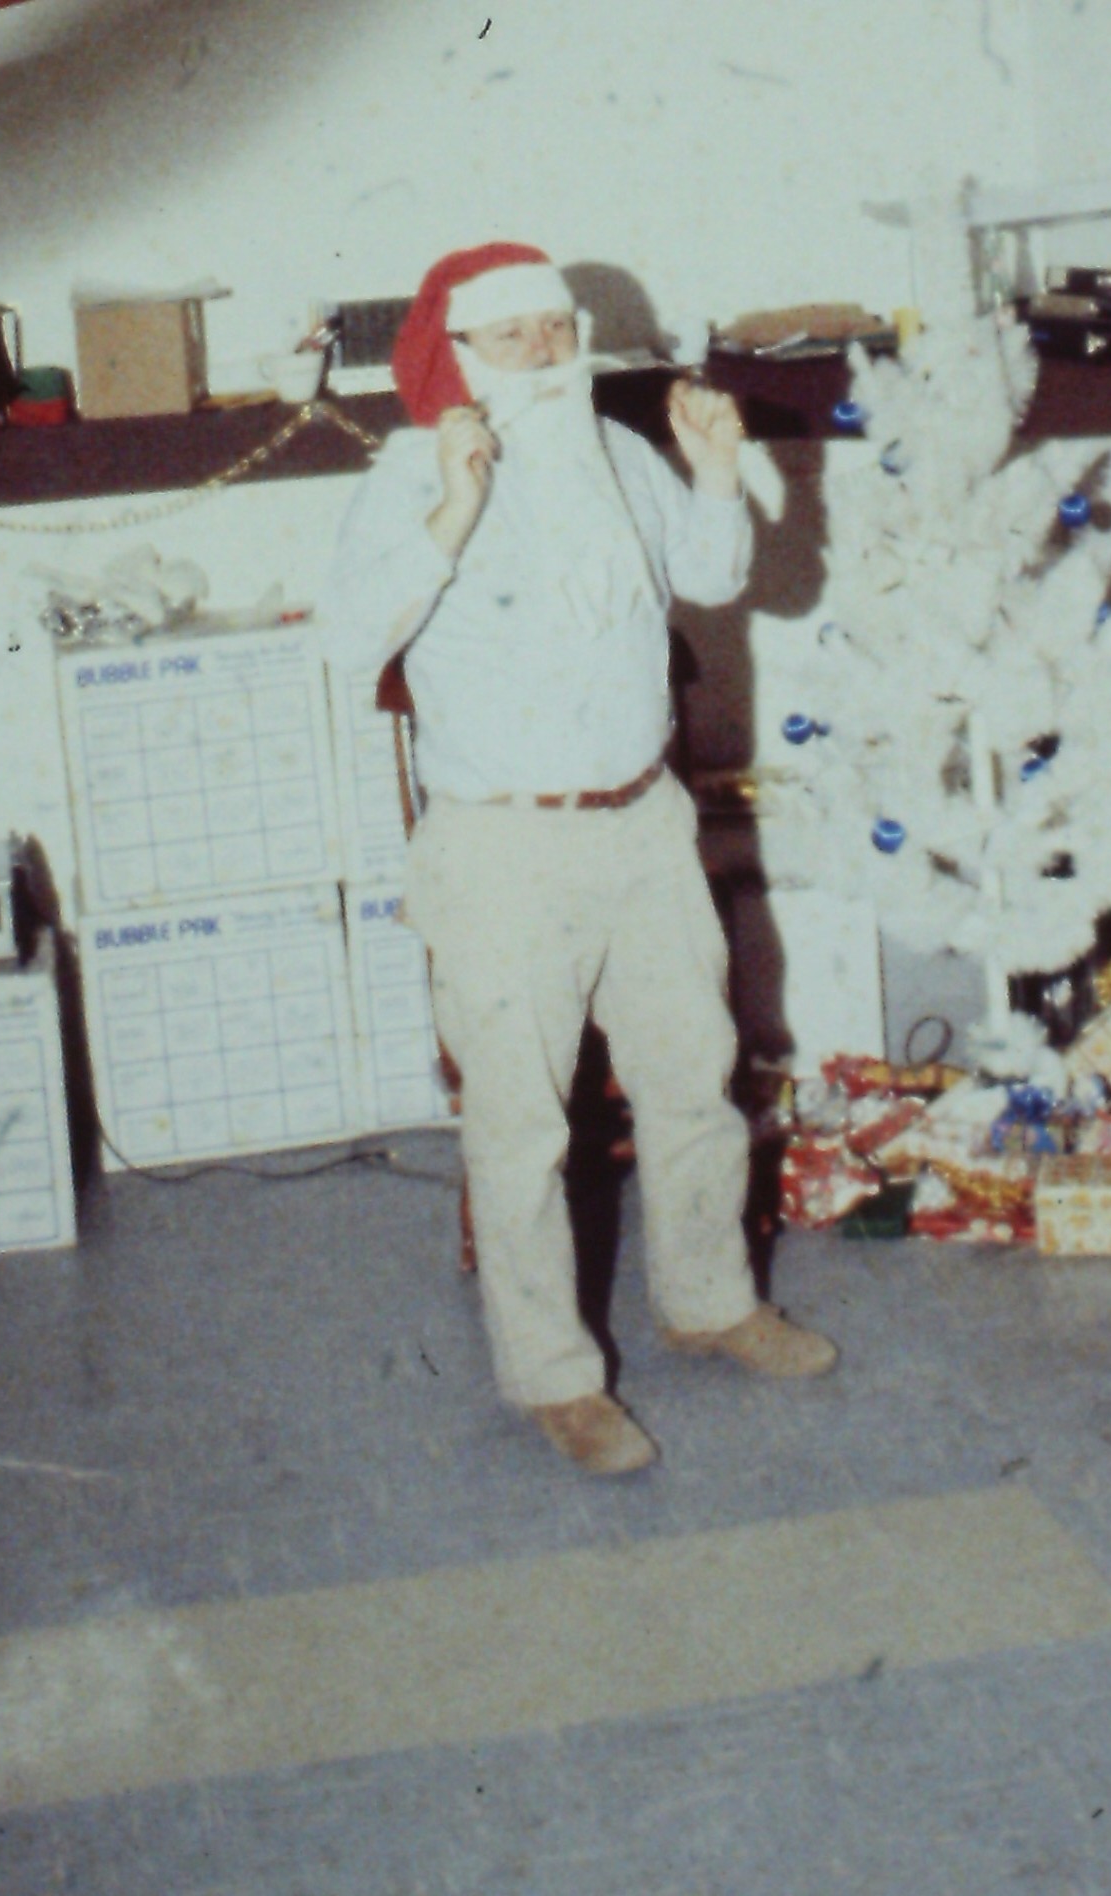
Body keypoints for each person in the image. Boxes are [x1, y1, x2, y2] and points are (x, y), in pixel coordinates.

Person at [319, 242, 834, 1477]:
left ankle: (711, 1302)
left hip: (644, 823)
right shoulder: (408, 474)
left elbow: (713, 577)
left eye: (555, 328)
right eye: (511, 337)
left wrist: (717, 473)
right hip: (502, 846)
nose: (544, 353)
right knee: (521, 1127)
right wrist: (452, 510)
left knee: (695, 1079)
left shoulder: (616, 453)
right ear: (459, 357)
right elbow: (347, 642)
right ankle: (554, 1376)